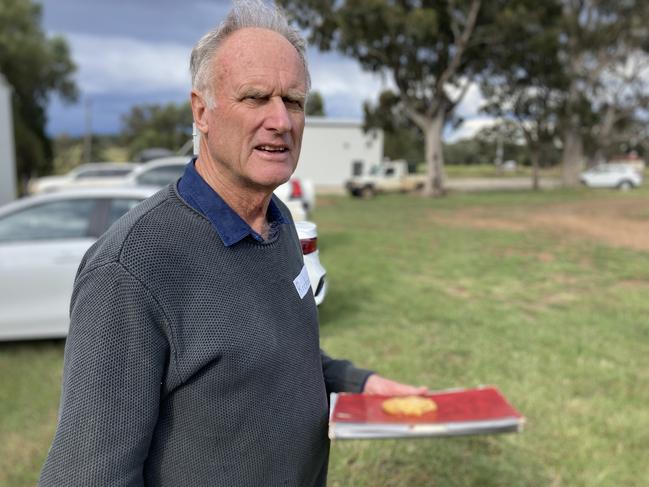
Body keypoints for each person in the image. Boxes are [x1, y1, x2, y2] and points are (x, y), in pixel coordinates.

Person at [39, 1, 424, 485]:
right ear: (202, 111)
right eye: (255, 97)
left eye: (295, 101)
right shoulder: (131, 270)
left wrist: (358, 384)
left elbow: (277, 353)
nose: (281, 121)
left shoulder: (278, 222)